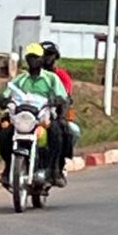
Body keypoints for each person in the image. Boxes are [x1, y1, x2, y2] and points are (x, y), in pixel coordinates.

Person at [0, 43, 69, 189]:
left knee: (56, 131)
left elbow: (63, 95)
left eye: (36, 57)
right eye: (30, 57)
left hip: (42, 116)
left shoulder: (51, 78)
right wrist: (2, 99)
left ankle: (53, 170)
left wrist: (58, 99)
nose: (32, 61)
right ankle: (8, 167)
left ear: (42, 59)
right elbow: (7, 93)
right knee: (3, 130)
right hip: (22, 116)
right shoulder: (20, 79)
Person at [40, 41, 77, 179]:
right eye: (42, 55)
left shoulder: (60, 76)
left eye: (49, 55)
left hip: (54, 113)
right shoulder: (29, 76)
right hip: (31, 114)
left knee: (62, 130)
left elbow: (65, 96)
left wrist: (61, 110)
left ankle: (57, 166)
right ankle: (9, 167)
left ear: (56, 57)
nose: (45, 58)